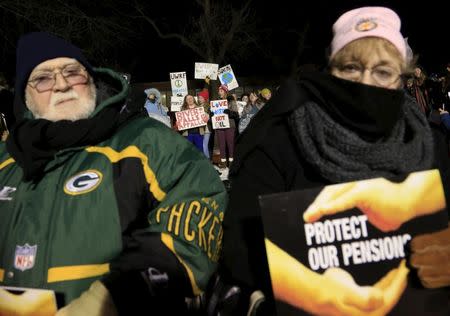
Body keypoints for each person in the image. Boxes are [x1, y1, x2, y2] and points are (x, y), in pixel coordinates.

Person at [222, 6, 450, 316]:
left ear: (402, 79)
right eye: (351, 68)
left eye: (383, 71)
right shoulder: (281, 141)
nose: (365, 83)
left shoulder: (430, 145)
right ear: (331, 70)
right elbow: (240, 247)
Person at [0, 32, 227, 315]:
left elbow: (198, 211)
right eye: (43, 78)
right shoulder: (5, 160)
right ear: (25, 96)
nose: (61, 84)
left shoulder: (146, 142)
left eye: (73, 72)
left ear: (92, 81)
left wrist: (117, 296)